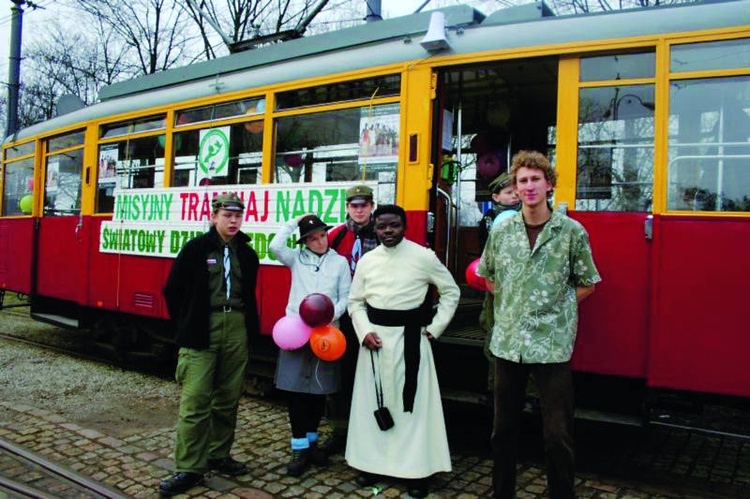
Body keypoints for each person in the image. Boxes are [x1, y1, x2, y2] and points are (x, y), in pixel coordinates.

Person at [477, 151, 601, 499]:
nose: (529, 187)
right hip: (508, 344)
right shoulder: (502, 232)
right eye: (522, 181)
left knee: (557, 434)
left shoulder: (571, 232)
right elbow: (488, 277)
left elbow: (587, 282)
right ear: (515, 189)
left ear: (549, 184)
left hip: (552, 345)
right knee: (503, 430)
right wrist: (516, 305)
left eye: (535, 179)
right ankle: (502, 493)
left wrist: (553, 309)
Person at [345, 204, 460, 499]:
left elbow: (451, 291)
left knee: (412, 409)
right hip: (374, 342)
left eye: (393, 226)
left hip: (412, 341)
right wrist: (363, 331)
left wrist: (435, 328)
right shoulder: (368, 261)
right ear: (375, 227)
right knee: (374, 402)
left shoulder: (423, 257)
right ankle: (371, 463)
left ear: (404, 226)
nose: (387, 232)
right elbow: (355, 302)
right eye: (382, 226)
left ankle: (415, 471)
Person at [159, 193, 260, 497]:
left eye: (238, 215)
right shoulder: (196, 249)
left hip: (236, 328)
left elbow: (248, 293)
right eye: (227, 215)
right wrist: (187, 324)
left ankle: (219, 454)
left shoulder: (247, 253)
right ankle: (189, 467)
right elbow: (172, 291)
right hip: (202, 330)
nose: (233, 221)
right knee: (195, 402)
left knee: (228, 399)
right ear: (214, 215)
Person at [269, 213, 351, 477]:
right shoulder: (295, 259)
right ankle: (299, 446)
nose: (319, 242)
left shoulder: (339, 262)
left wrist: (329, 315)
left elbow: (346, 297)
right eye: (313, 238)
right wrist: (294, 222)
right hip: (296, 331)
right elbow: (274, 247)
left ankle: (313, 442)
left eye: (322, 236)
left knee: (318, 390)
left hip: (326, 333)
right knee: (296, 391)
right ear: (304, 241)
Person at [322, 184, 379, 456]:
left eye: (364, 205)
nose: (359, 210)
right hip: (343, 316)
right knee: (340, 375)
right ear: (347, 207)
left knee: (372, 373)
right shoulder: (335, 236)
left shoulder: (383, 234)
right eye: (354, 205)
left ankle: (370, 430)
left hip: (373, 313)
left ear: (371, 206)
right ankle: (340, 431)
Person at [478, 171, 521, 247]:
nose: (514, 195)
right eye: (509, 192)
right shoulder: (489, 217)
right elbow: (484, 244)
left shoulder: (526, 212)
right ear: (496, 197)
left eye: (517, 192)